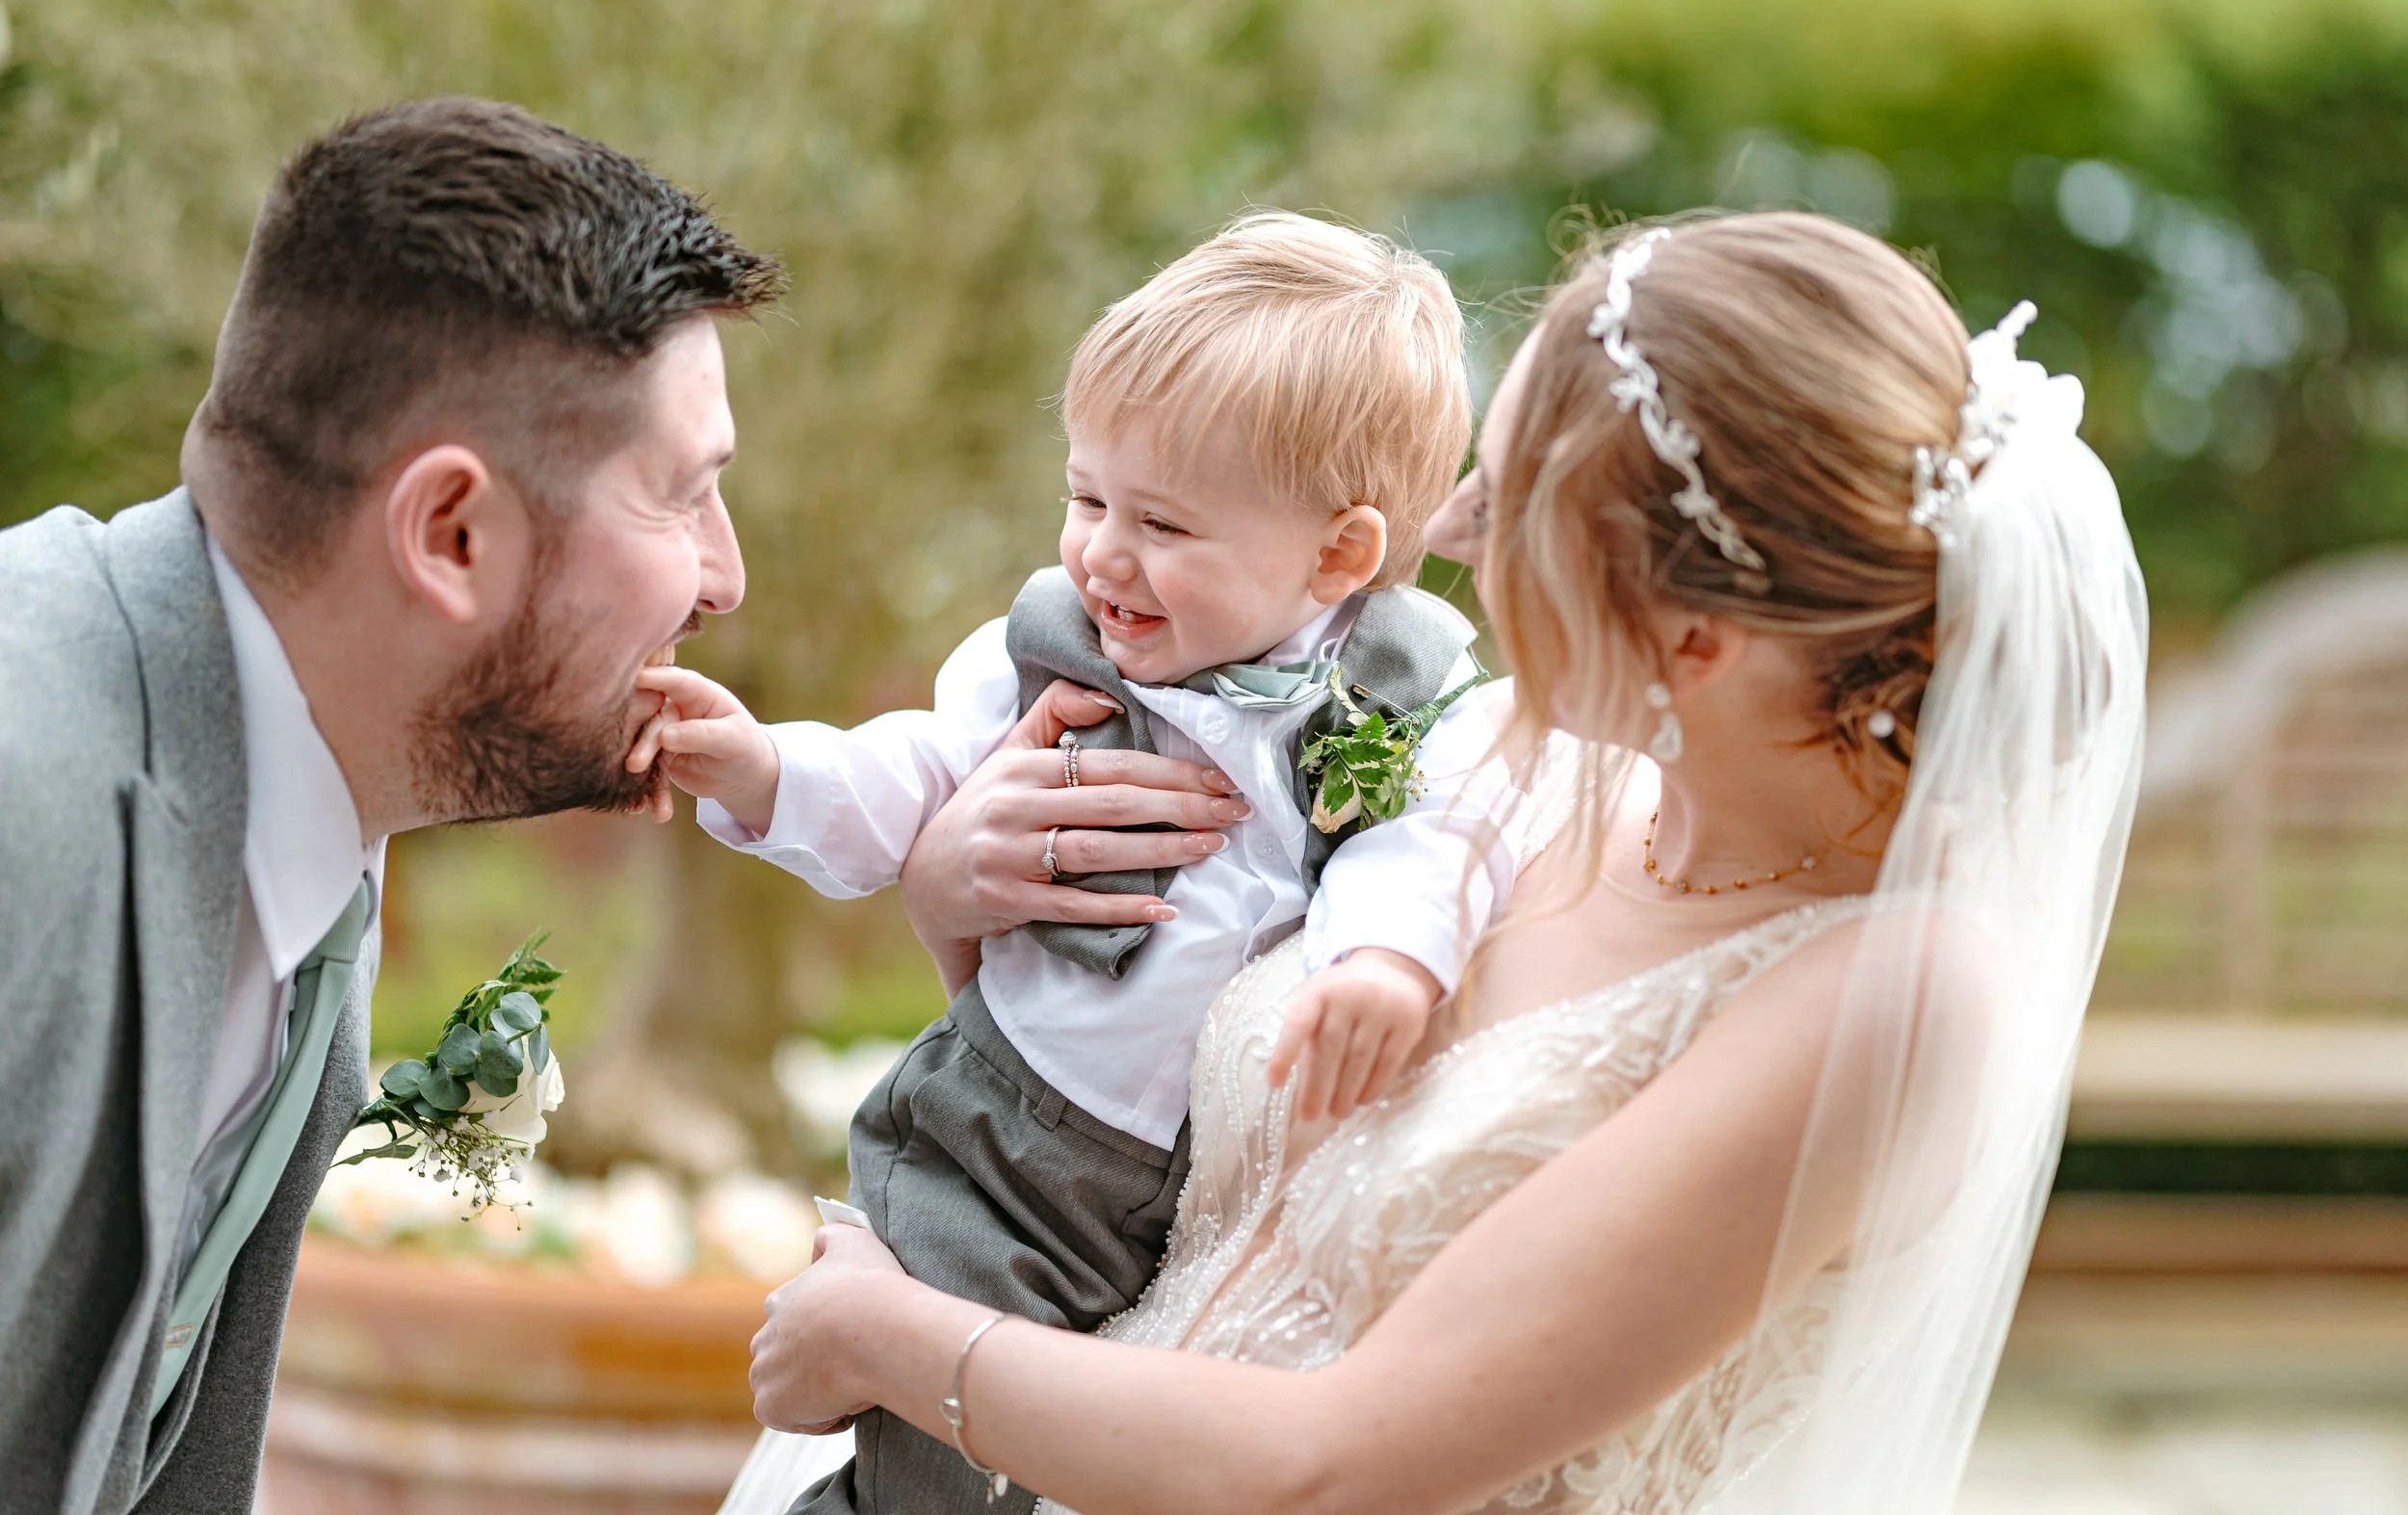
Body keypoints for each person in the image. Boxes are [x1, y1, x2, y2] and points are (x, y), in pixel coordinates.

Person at [727, 211, 2148, 1515]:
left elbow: (1332, 1466)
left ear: (1695, 642)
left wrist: (897, 1340)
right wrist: (957, 896)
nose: (1447, 536)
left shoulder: (1889, 993)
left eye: (1505, 501)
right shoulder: (1508, 776)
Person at [644, 212, 1524, 1514]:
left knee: (1033, 1440)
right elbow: (915, 775)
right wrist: (763, 768)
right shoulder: (1054, 648)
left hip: (1171, 1197)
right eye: (1086, 495)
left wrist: (1387, 959)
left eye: (1162, 523)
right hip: (994, 1138)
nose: (1103, 553)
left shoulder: (1395, 696)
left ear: (1339, 554)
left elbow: (1436, 836)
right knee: (931, 1469)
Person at [0, 97, 779, 1515]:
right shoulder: (19, 777)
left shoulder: (317, 824)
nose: (726, 579)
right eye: (684, 498)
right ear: (451, 534)